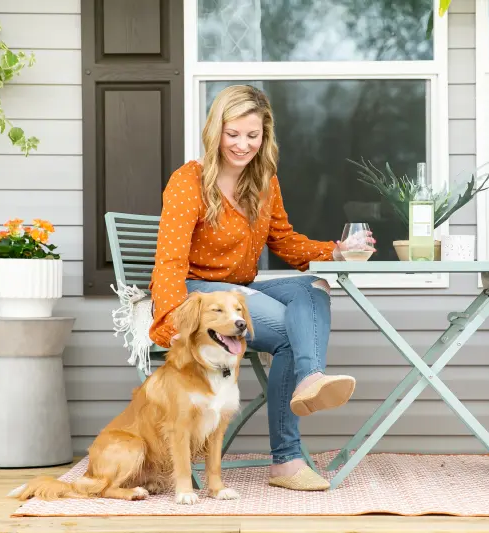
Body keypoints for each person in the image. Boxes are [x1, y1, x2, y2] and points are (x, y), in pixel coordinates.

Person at [148, 84, 375, 491]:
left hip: (240, 289)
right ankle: (286, 461)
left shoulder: (265, 182)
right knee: (290, 330)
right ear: (215, 131)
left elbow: (285, 241)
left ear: (264, 137)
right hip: (201, 293)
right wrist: (170, 320)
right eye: (232, 134)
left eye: (252, 136)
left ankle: (309, 379)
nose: (242, 144)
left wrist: (338, 251)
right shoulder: (189, 181)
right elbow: (169, 260)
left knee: (314, 286)